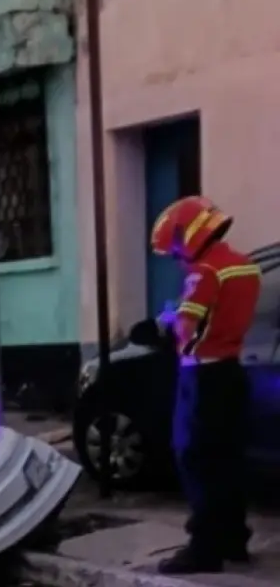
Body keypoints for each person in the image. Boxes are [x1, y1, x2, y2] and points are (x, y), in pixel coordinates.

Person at [131, 196, 259, 575]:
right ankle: (234, 537)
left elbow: (188, 324)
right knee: (227, 461)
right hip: (232, 371)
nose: (175, 256)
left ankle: (204, 548)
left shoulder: (203, 272)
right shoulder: (244, 265)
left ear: (187, 234)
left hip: (202, 376)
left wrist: (167, 322)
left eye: (173, 247)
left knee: (196, 460)